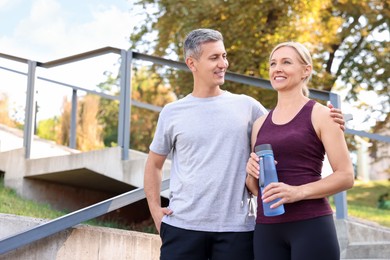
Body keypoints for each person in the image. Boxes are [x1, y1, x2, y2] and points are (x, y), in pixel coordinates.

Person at [144, 29, 345, 260]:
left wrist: (333, 122)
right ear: (192, 63)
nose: (223, 64)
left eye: (224, 55)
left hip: (238, 230)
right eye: (214, 58)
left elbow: (288, 125)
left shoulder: (248, 107)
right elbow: (154, 165)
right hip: (182, 227)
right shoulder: (172, 112)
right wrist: (155, 210)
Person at [245, 41, 354, 260]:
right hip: (267, 229)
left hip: (311, 225)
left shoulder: (322, 115)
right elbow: (255, 188)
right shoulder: (259, 124)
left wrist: (297, 192)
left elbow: (346, 176)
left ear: (306, 70)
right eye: (273, 63)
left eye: (286, 62)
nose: (278, 68)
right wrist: (251, 172)